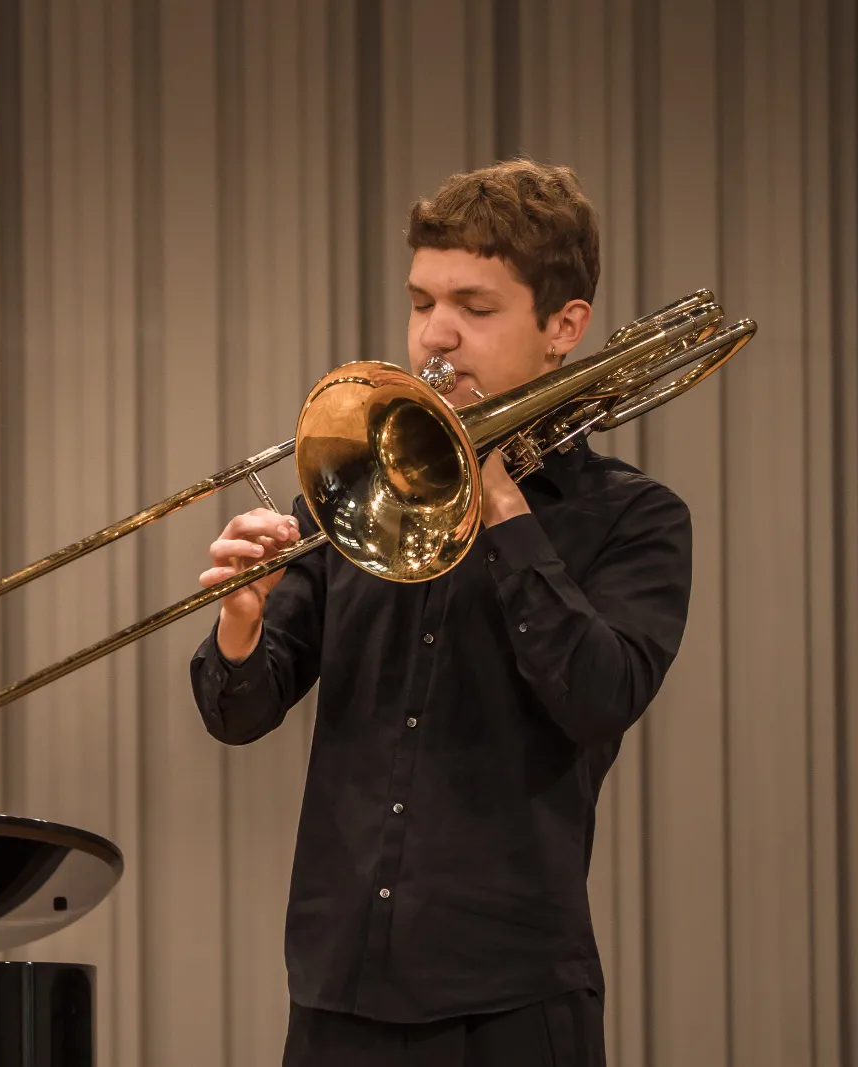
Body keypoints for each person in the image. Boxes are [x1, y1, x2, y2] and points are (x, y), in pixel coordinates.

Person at [188, 158, 694, 1067]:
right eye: (422, 301)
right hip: (338, 987)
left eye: (475, 306)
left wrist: (499, 503)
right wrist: (241, 619)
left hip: (511, 996)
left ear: (564, 327)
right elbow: (239, 712)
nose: (436, 334)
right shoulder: (355, 491)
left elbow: (599, 698)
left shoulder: (635, 518)